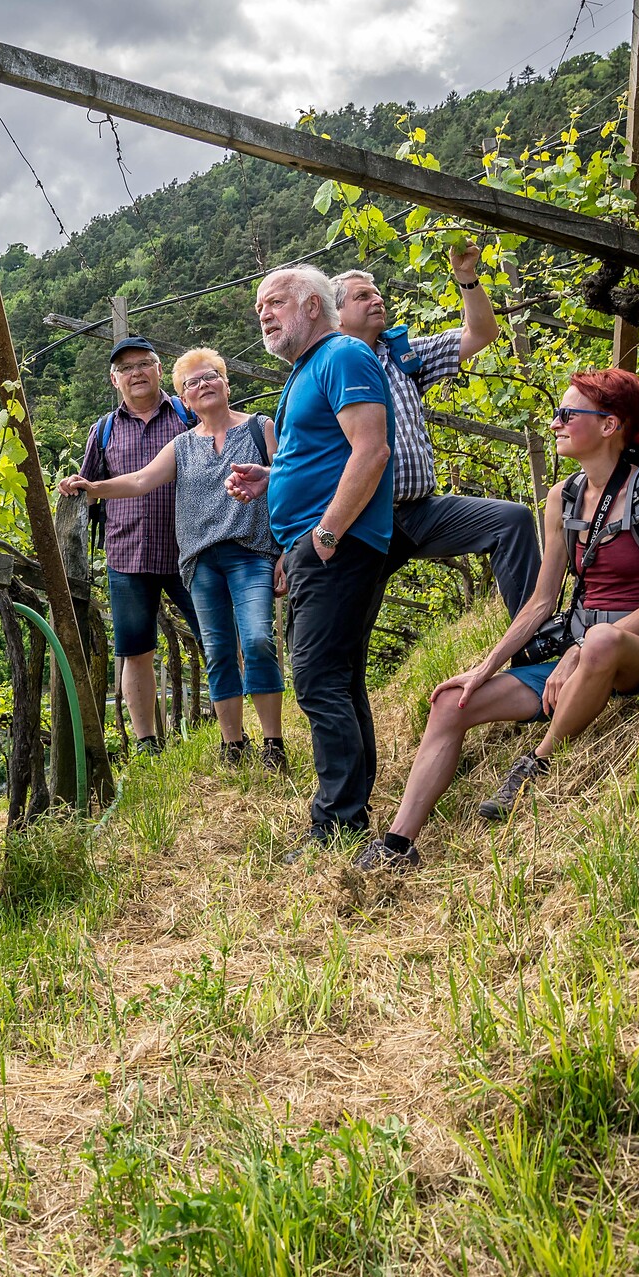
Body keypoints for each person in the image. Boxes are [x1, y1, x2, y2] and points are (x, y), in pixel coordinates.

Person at [354, 369, 639, 872]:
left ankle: (536, 763)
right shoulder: (563, 498)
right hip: (581, 646)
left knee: (597, 645)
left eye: (569, 415)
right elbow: (540, 601)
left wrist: (579, 647)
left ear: (611, 425)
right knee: (449, 703)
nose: (555, 423)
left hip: (636, 646)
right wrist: (483, 669)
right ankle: (398, 844)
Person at [226, 265, 394, 857]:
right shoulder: (307, 372)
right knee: (339, 679)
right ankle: (349, 811)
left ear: (312, 306)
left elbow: (371, 451)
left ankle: (336, 824)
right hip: (320, 545)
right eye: (258, 308)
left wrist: (323, 536)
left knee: (320, 680)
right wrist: (272, 478)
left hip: (335, 547)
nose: (263, 314)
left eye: (273, 303)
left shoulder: (342, 355)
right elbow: (327, 455)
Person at [59, 347, 285, 768]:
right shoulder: (117, 431)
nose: (136, 373)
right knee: (160, 649)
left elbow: (289, 484)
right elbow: (134, 481)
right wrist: (86, 487)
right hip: (157, 557)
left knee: (248, 640)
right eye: (126, 368)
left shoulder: (237, 425)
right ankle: (206, 745)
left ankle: (270, 742)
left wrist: (288, 550)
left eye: (210, 377)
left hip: (221, 552)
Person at [332, 249, 540, 617]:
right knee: (348, 630)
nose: (377, 299)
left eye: (377, 293)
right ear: (337, 317)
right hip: (363, 519)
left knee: (512, 521)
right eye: (362, 296)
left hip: (421, 512)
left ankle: (536, 643)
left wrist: (466, 277)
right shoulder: (329, 368)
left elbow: (482, 332)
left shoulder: (401, 357)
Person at [73, 335, 201, 753]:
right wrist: (77, 484)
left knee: (219, 637)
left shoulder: (187, 414)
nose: (137, 373)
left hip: (190, 551)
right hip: (127, 557)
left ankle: (231, 727)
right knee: (136, 650)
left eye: (144, 364)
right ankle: (148, 741)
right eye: (126, 368)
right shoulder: (103, 429)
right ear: (115, 380)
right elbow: (87, 488)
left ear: (159, 370)